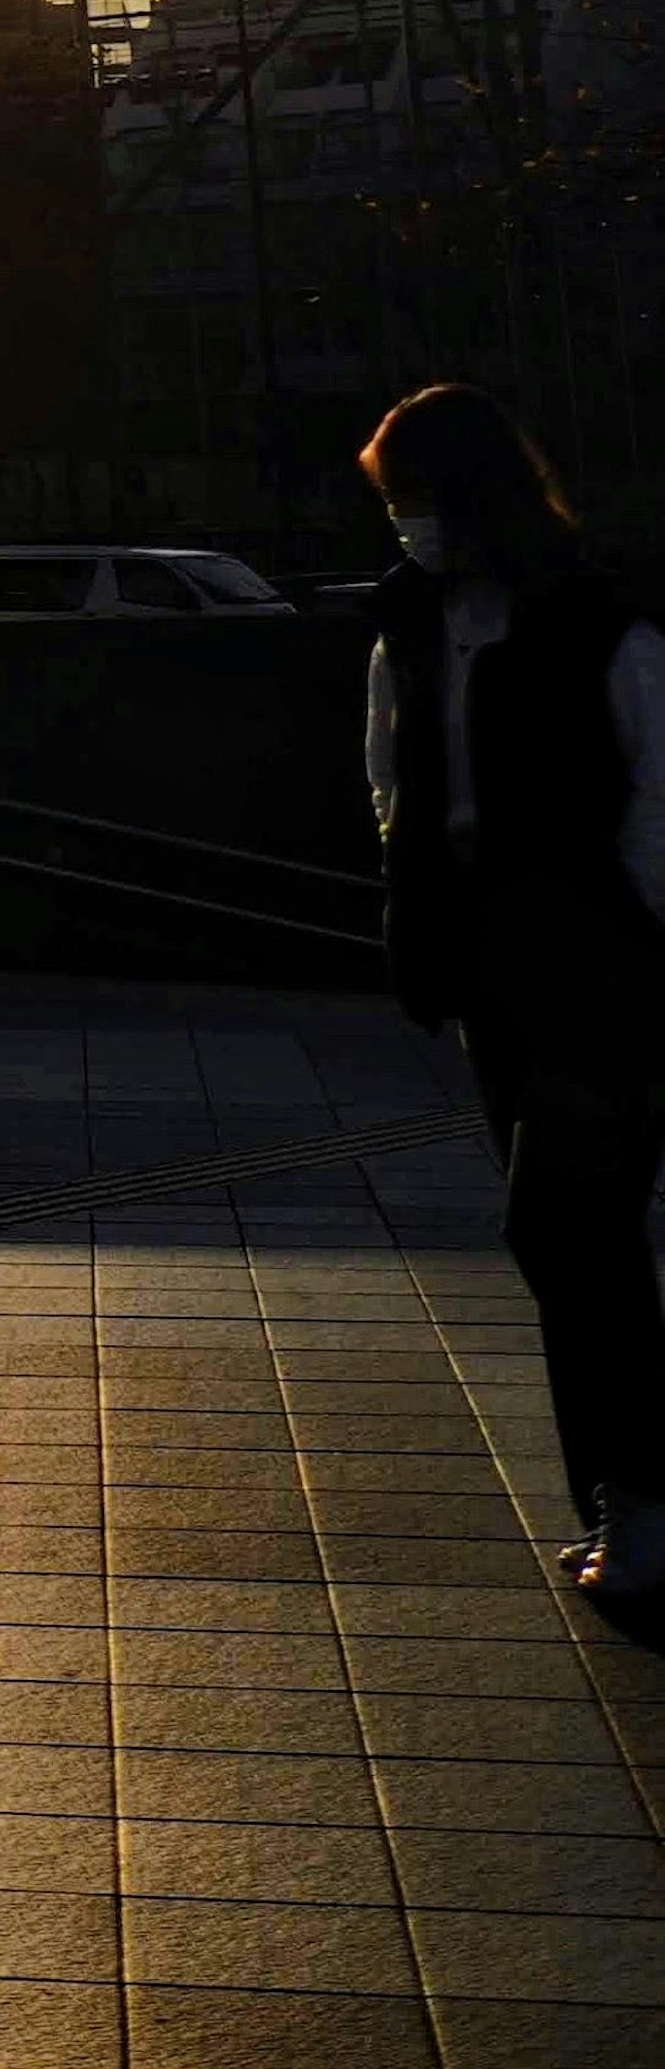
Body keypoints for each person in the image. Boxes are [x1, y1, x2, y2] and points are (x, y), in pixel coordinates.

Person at [361, 380, 665, 1610]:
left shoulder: (602, 621)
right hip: (495, 963)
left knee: (563, 1225)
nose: (403, 525)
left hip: (606, 961)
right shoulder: (418, 616)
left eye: (409, 498)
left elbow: (654, 800)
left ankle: (640, 1502)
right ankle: (629, 1500)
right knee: (574, 1236)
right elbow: (394, 775)